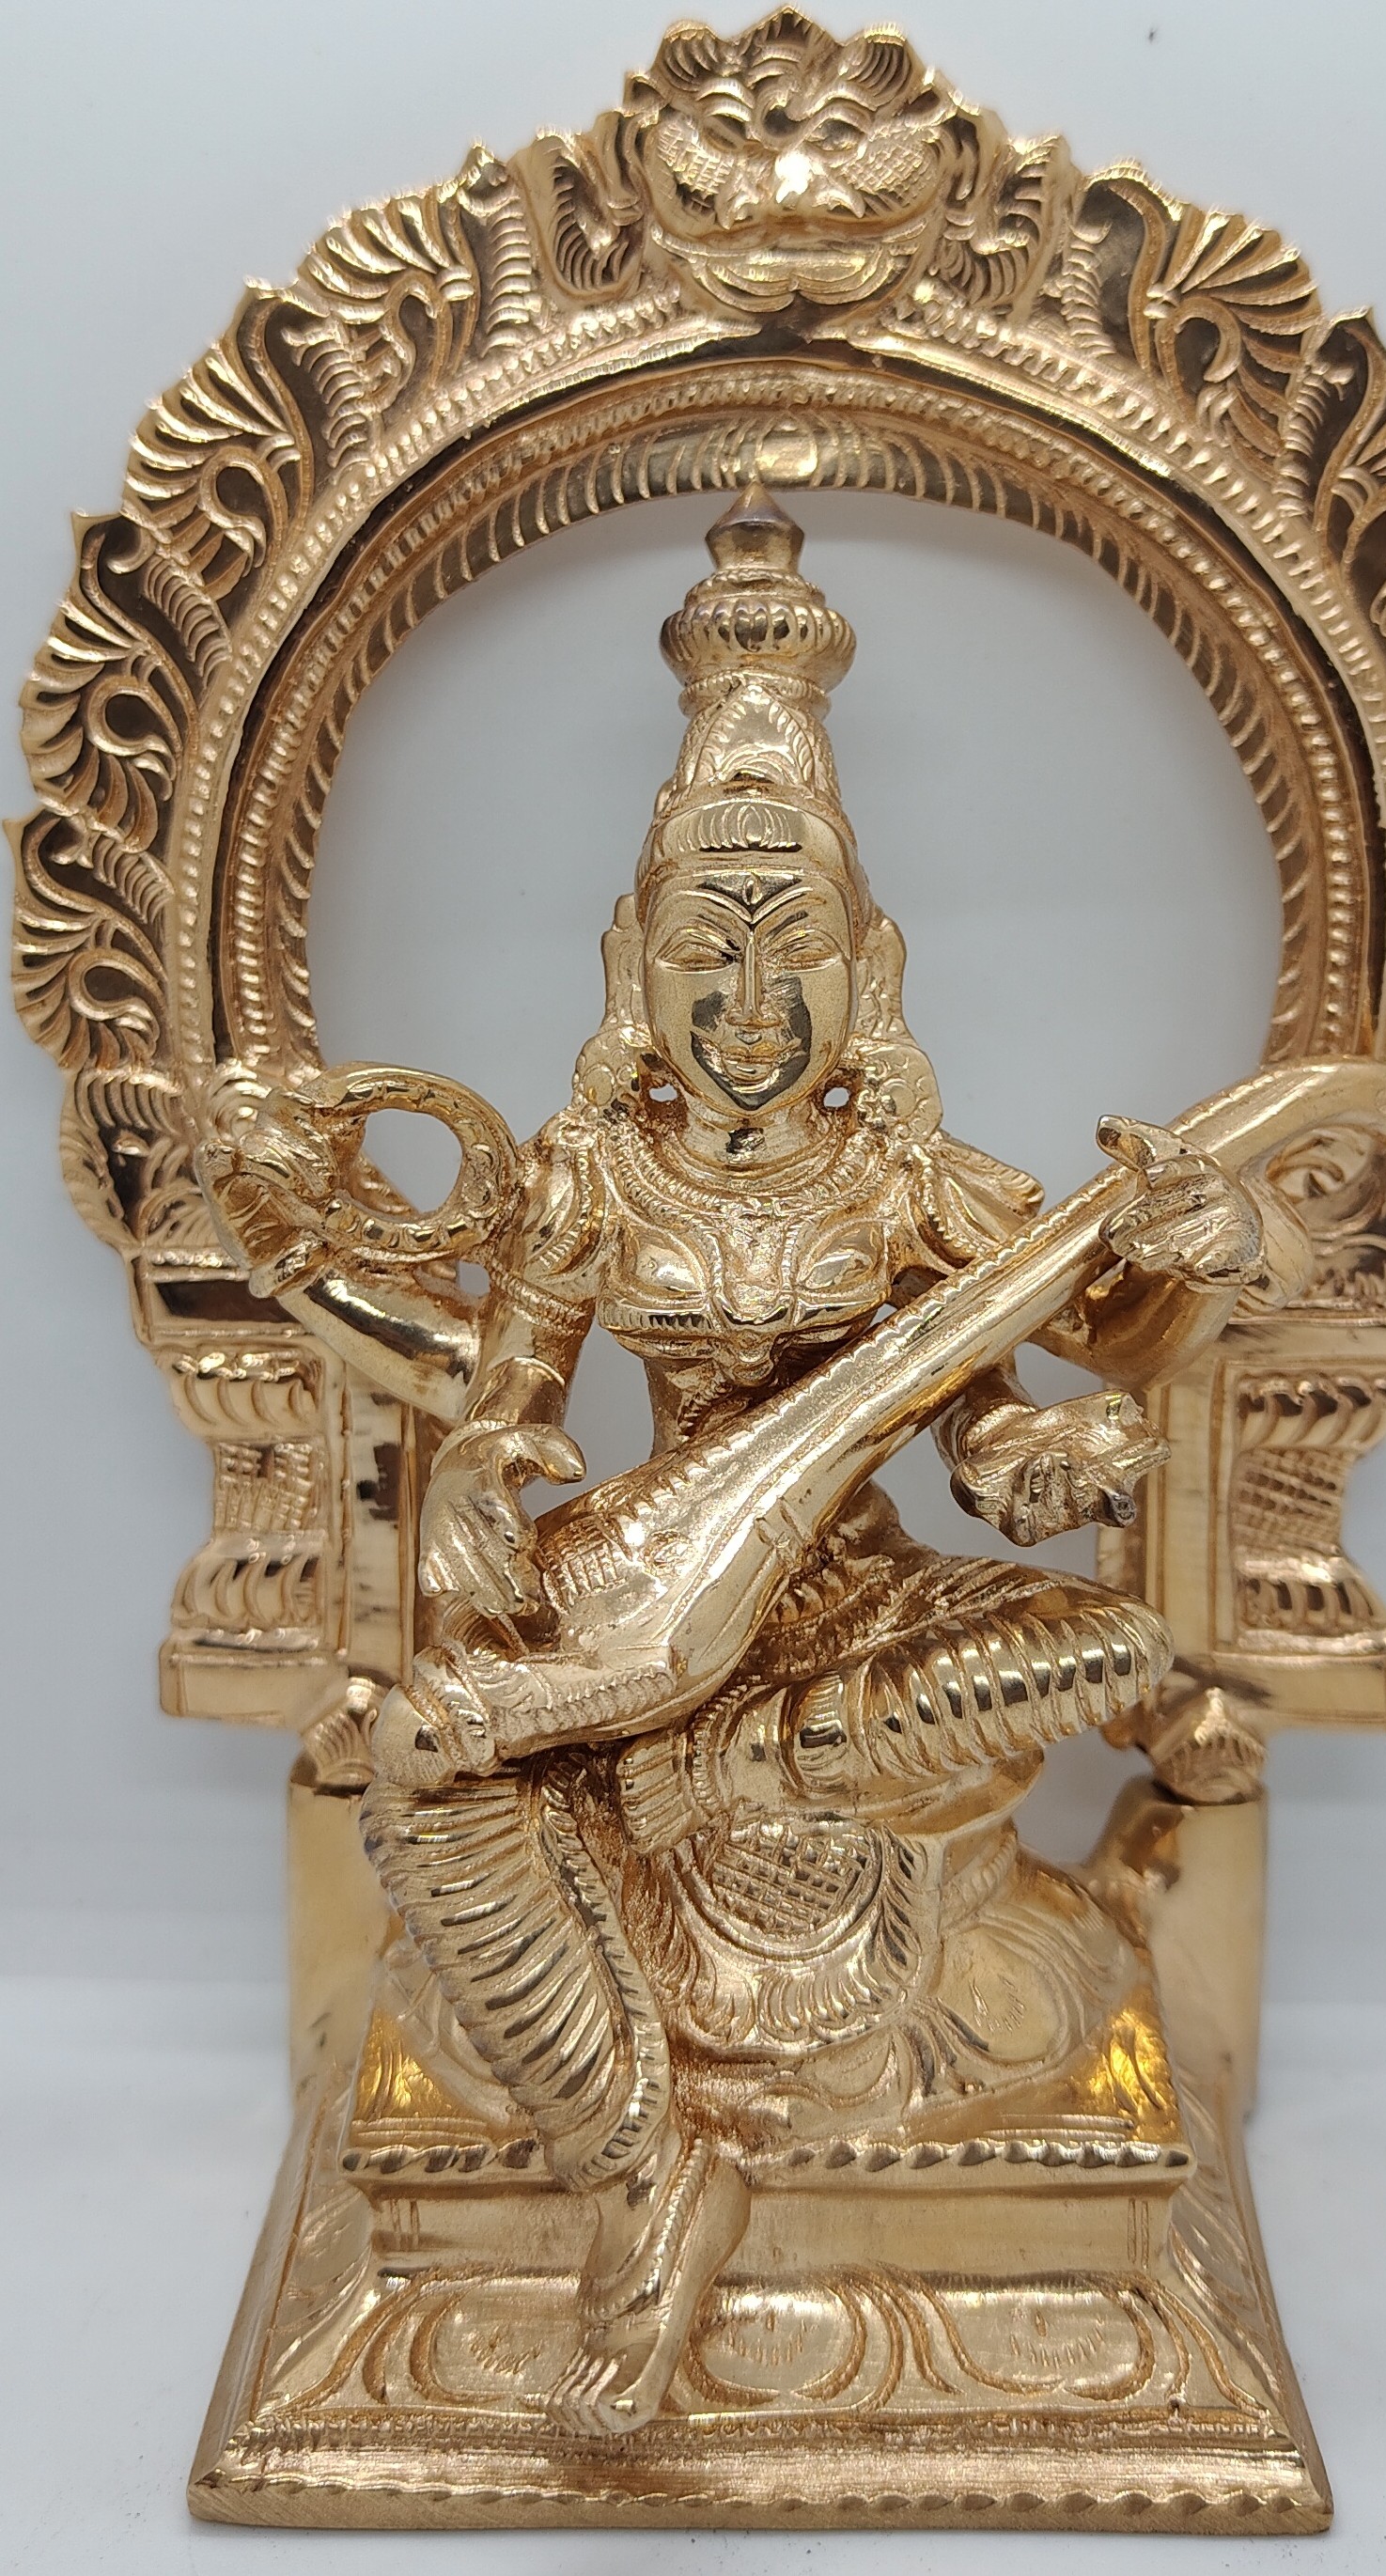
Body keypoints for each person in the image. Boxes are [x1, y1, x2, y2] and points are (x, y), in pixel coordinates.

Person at [203, 487, 1275, 2437]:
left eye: (796, 954)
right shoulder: (590, 1178)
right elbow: (507, 1402)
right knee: (428, 1763)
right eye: (707, 951)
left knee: (1110, 1652)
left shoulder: (918, 1185)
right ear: (631, 963)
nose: (751, 1007)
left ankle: (723, 1783)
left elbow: (1003, 1419)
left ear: (873, 969)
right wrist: (478, 1486)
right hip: (644, 1595)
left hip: (852, 1625)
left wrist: (1069, 1427)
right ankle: (641, 2177)